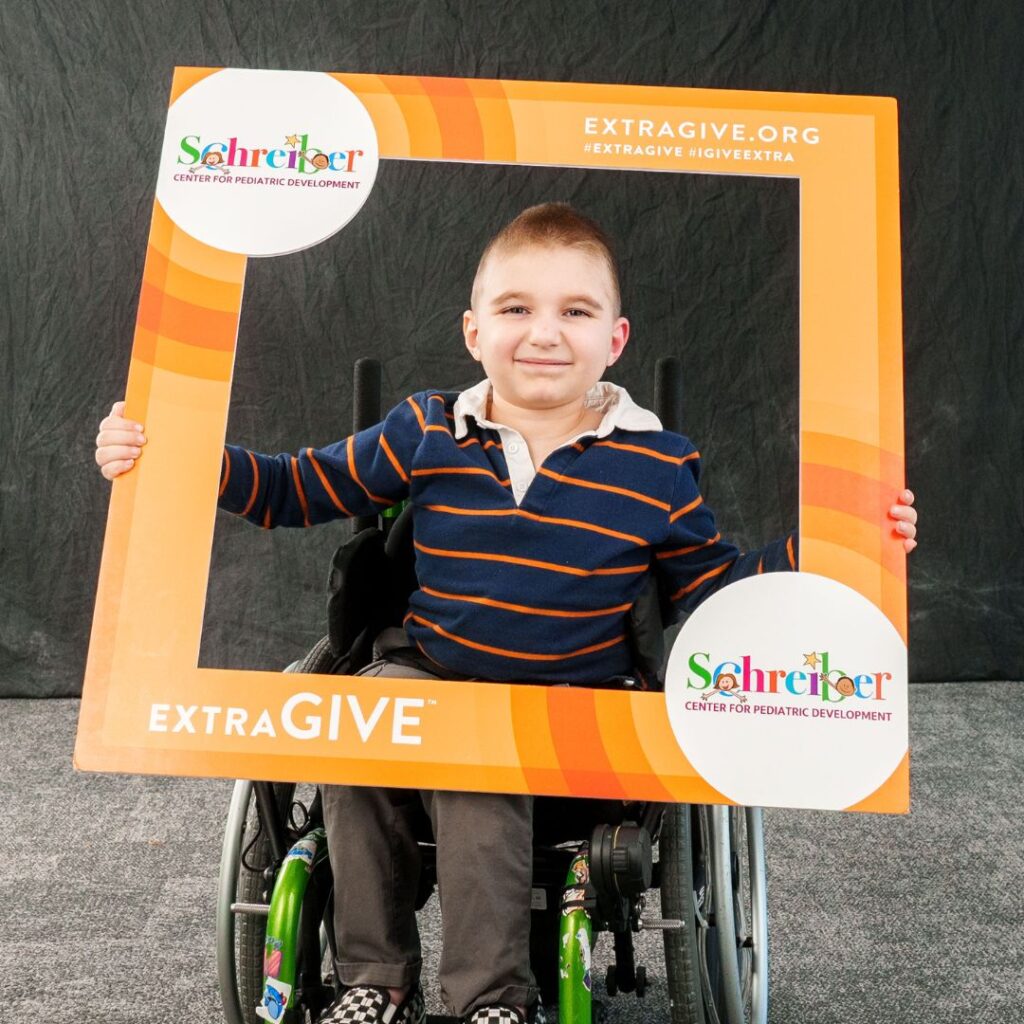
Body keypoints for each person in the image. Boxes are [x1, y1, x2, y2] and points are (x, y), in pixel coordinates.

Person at [95, 203, 918, 1024]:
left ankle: (491, 1002)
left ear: (614, 339)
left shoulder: (656, 465)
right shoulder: (426, 429)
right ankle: (374, 982)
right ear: (473, 331)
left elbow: (716, 592)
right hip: (430, 674)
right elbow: (293, 488)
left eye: (575, 311)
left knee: (482, 757)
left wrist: (842, 546)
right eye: (516, 309)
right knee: (354, 726)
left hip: (569, 717)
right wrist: (172, 454)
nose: (545, 333)